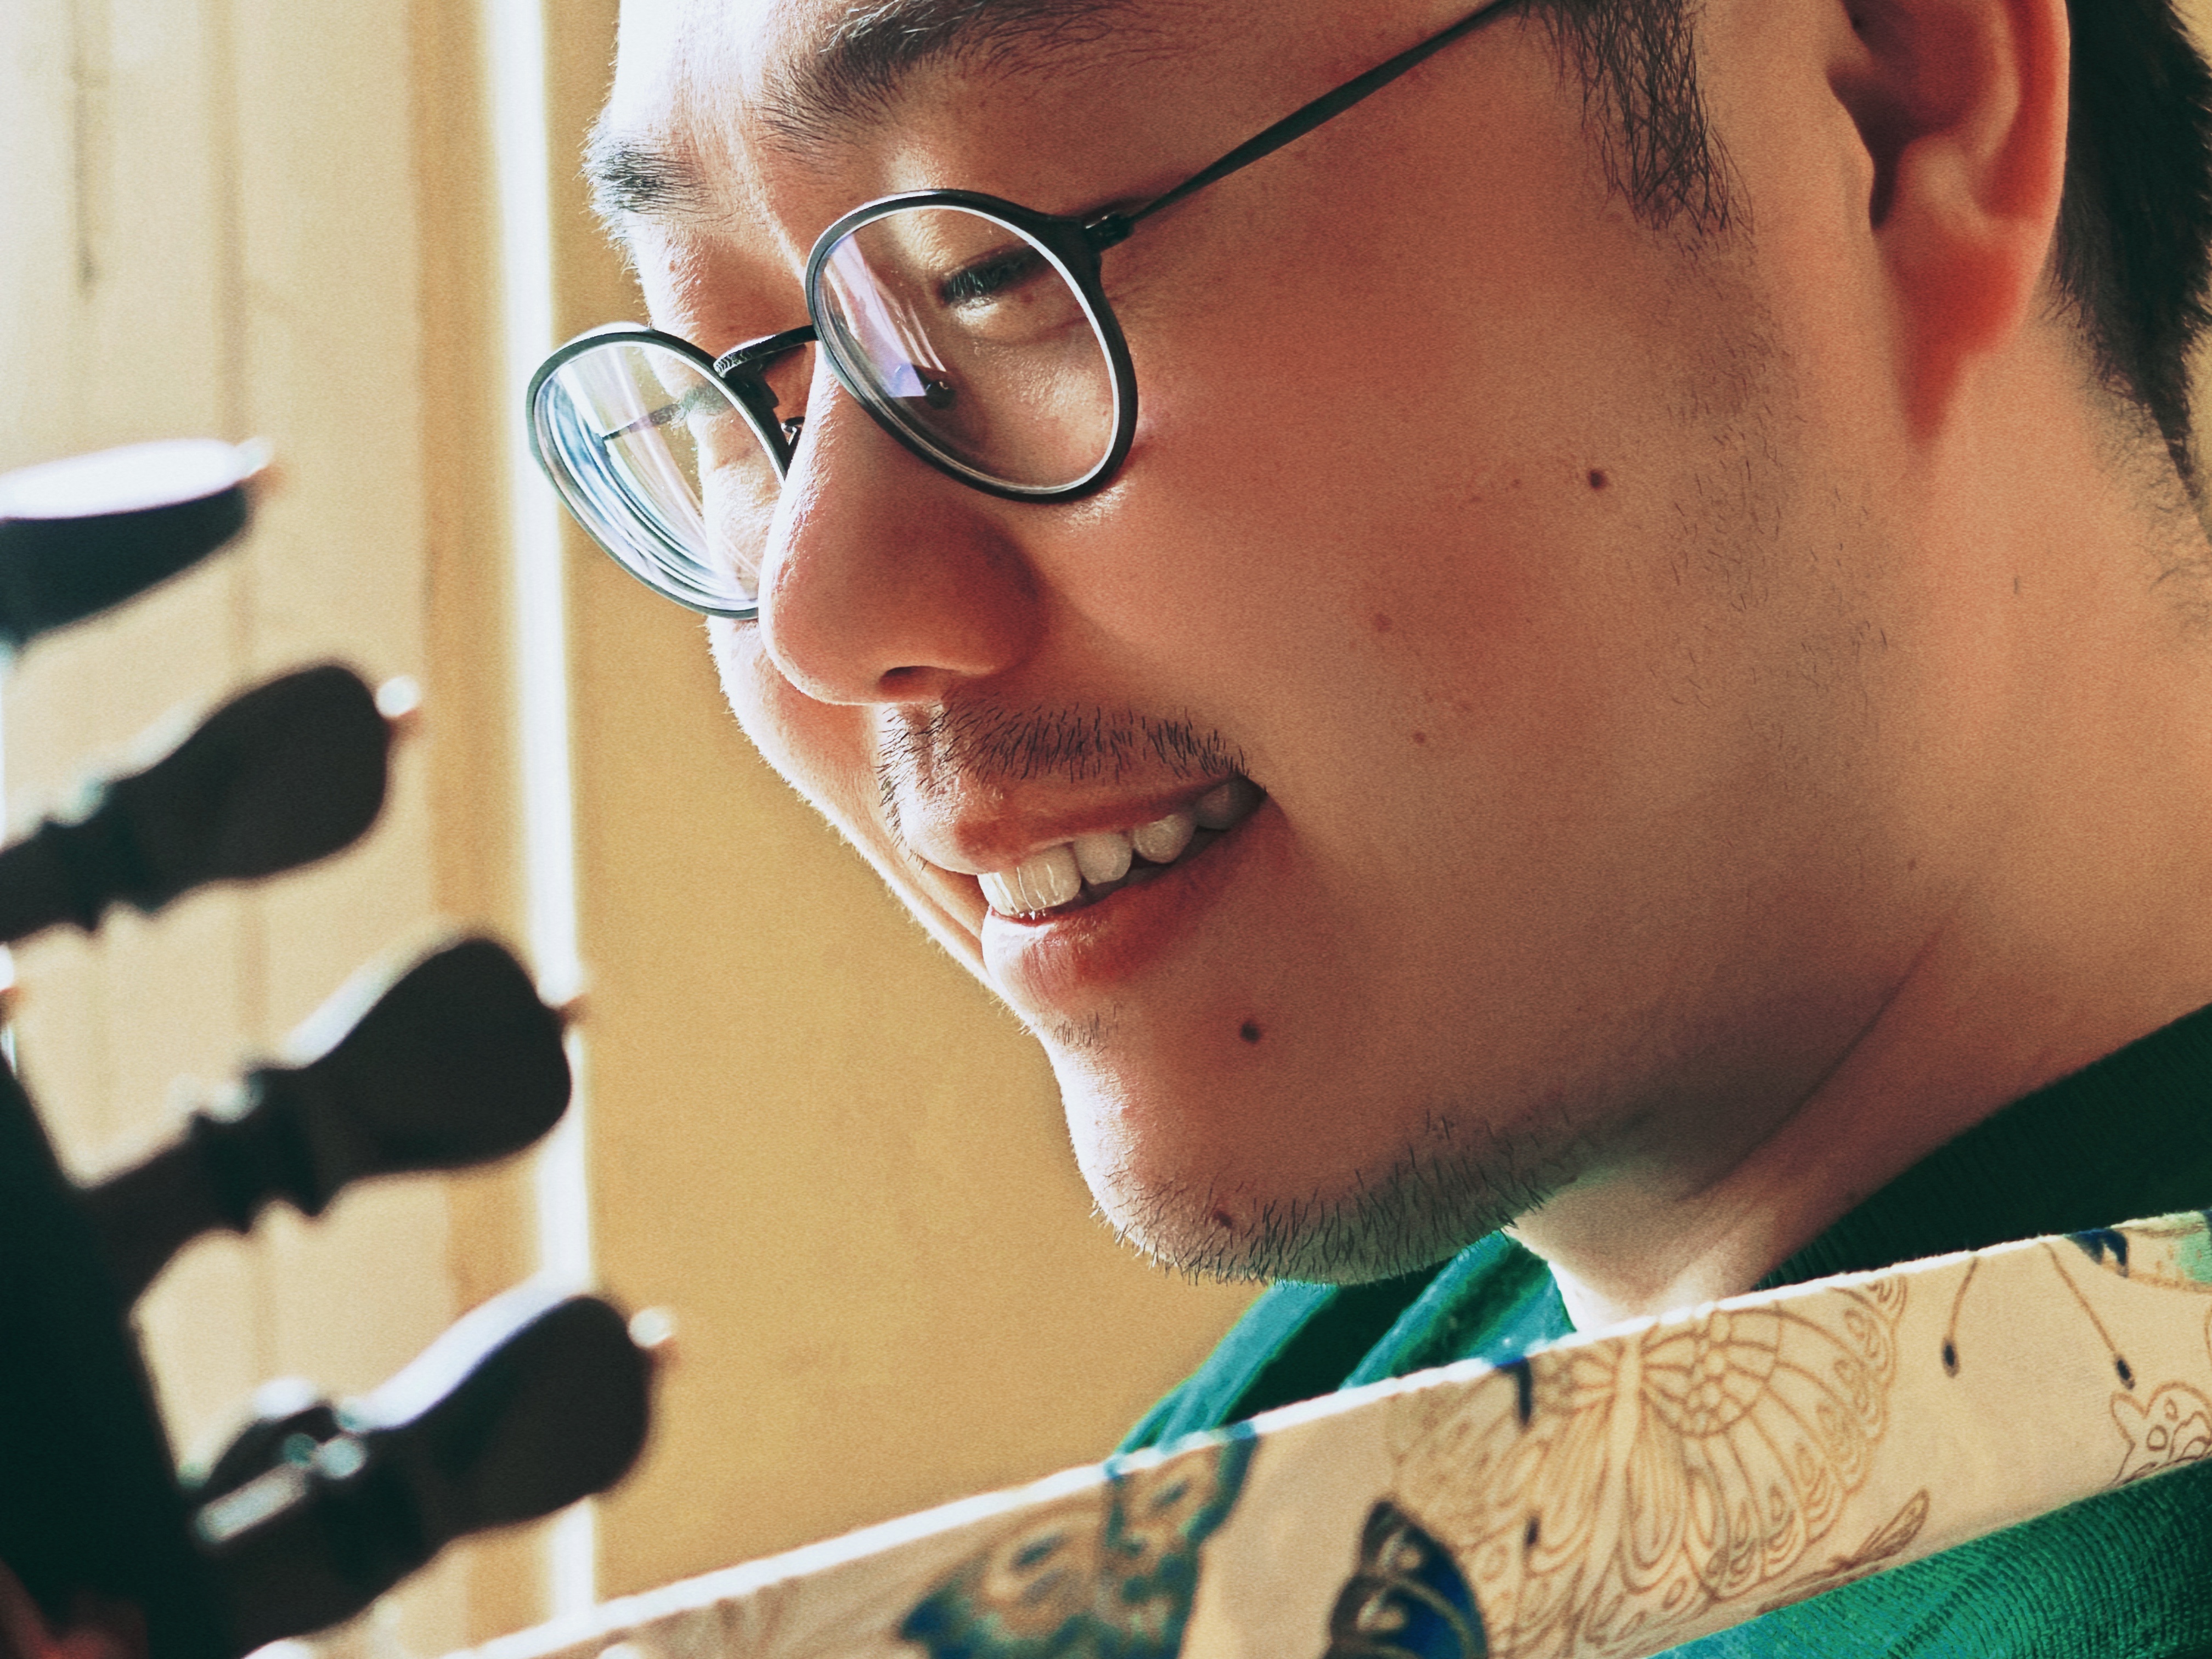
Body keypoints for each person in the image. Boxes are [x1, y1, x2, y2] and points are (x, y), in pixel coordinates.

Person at [540, 0, 2212, 1649]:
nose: (821, 618)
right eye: (751, 387)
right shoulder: (1424, 1385)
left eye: (997, 274)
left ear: (1889, 120)